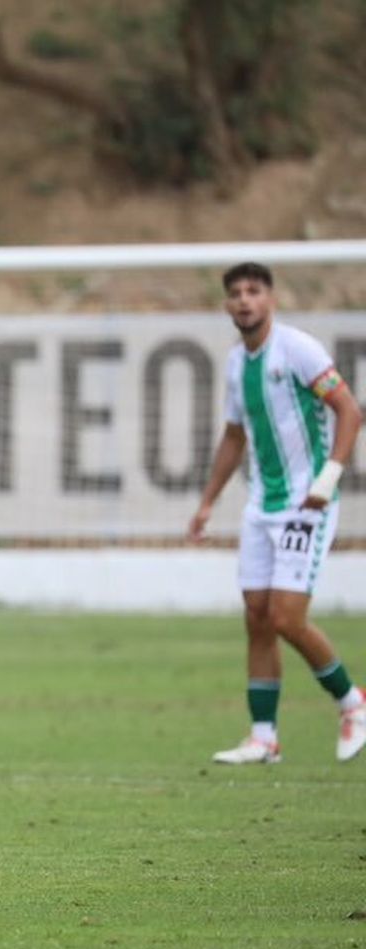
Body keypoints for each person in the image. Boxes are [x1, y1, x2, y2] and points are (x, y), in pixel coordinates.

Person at [190, 261, 365, 764]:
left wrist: (327, 478)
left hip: (305, 503)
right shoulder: (233, 364)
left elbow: (350, 411)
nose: (244, 300)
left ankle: (353, 703)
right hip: (261, 505)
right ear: (227, 305)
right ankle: (263, 737)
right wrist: (207, 502)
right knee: (257, 617)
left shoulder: (297, 349)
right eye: (236, 293)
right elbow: (234, 436)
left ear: (270, 298)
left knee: (287, 617)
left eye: (253, 291)